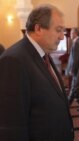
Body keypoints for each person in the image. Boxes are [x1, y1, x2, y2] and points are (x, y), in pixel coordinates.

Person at [0, 4, 74, 141]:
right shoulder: (14, 60)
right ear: (38, 28)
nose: (62, 37)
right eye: (58, 30)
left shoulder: (44, 55)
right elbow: (11, 125)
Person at [66, 27, 79, 108]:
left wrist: (72, 70)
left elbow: (76, 59)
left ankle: (66, 104)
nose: (70, 35)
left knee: (74, 88)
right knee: (77, 88)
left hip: (77, 70)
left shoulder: (77, 43)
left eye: (71, 33)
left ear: (74, 33)